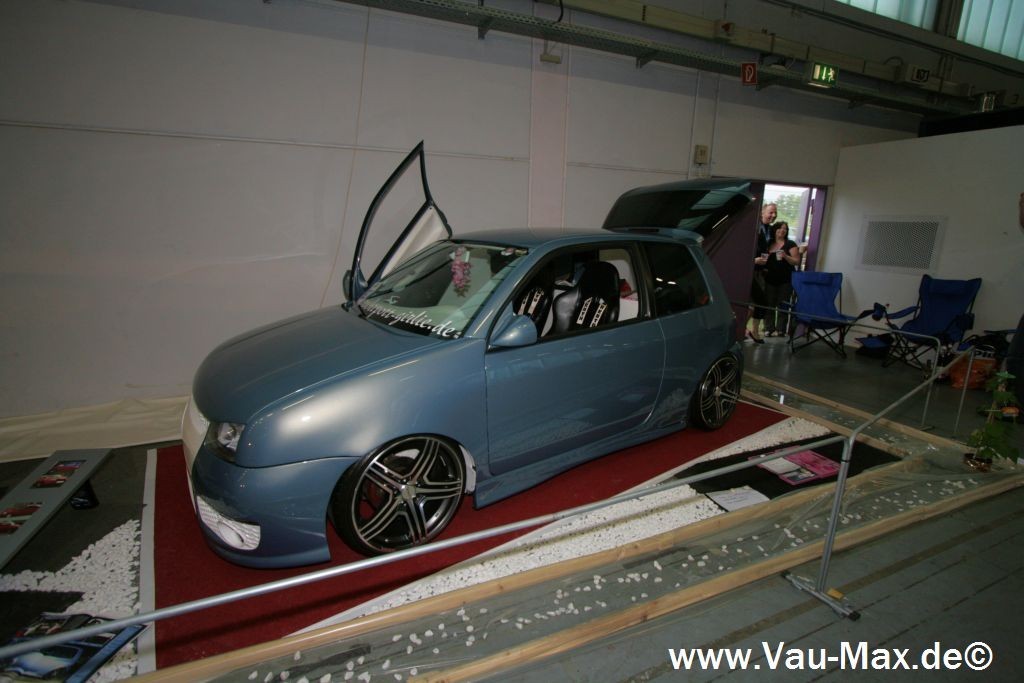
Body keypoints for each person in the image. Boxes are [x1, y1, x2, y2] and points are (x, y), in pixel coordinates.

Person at [762, 221, 800, 336]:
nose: (782, 230)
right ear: (775, 230)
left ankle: (781, 329)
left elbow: (796, 261)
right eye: (780, 228)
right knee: (769, 304)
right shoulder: (769, 243)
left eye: (785, 229)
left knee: (783, 304)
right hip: (770, 278)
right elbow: (764, 259)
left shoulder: (790, 244)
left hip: (786, 279)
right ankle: (768, 328)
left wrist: (785, 256)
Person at [748, 202, 777, 343]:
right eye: (771, 212)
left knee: (758, 303)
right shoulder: (753, 227)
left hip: (760, 272)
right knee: (757, 302)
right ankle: (749, 330)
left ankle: (752, 330)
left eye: (775, 212)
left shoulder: (770, 230)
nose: (773, 215)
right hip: (748, 271)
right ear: (762, 213)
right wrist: (753, 260)